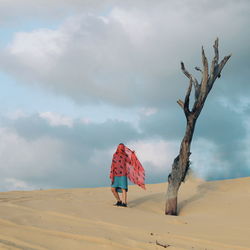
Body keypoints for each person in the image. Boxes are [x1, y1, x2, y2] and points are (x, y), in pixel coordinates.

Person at [109, 143, 146, 207]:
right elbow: (112, 165)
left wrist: (133, 155)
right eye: (119, 147)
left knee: (124, 189)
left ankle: (124, 203)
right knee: (113, 189)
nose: (120, 148)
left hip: (123, 174)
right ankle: (119, 201)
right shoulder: (114, 155)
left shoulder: (125, 156)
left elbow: (130, 162)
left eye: (122, 147)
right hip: (115, 175)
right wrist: (111, 173)